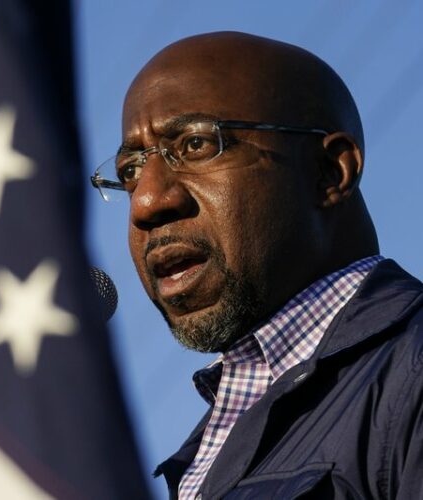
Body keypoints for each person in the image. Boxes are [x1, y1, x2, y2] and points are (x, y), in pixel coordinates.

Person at [91, 32, 423, 499]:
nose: (146, 201)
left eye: (195, 146)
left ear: (329, 172)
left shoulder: (409, 372)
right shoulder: (215, 435)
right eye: (130, 171)